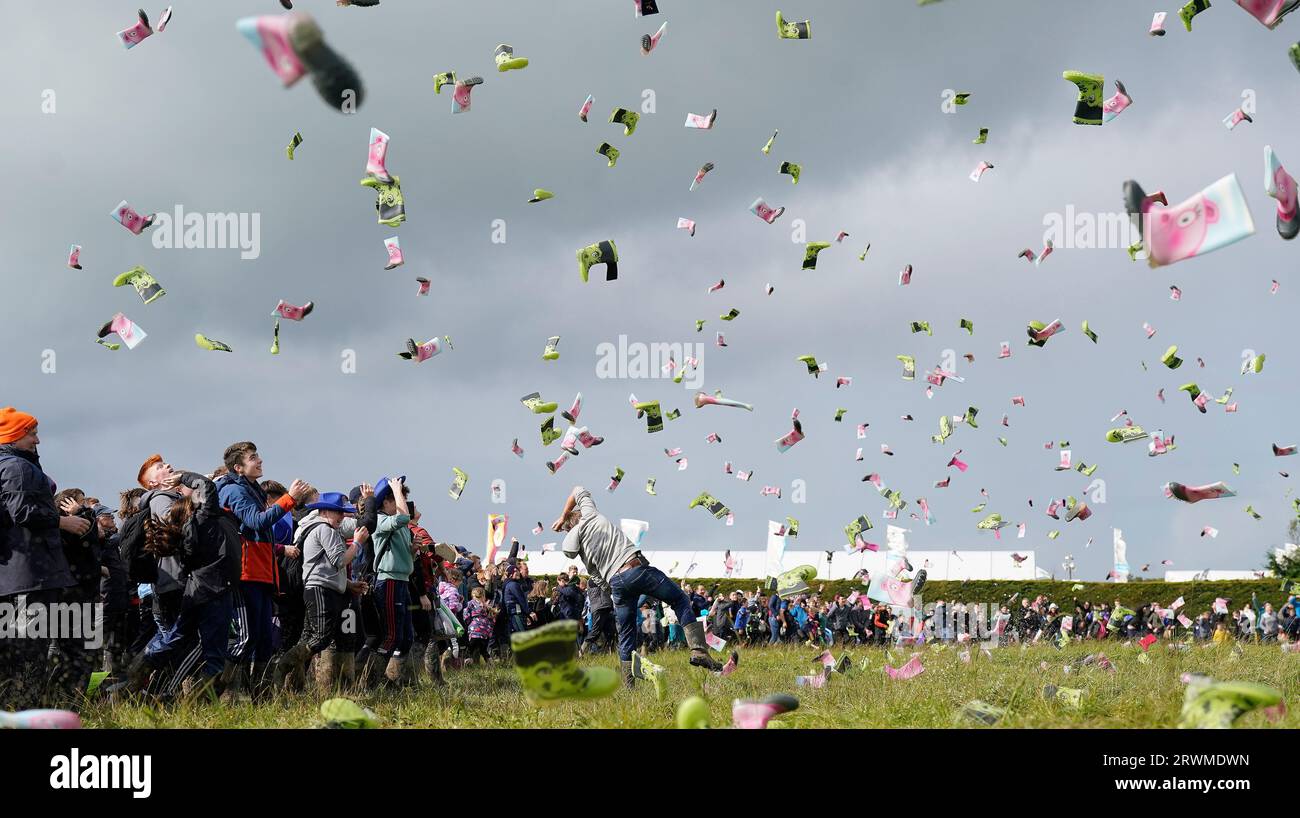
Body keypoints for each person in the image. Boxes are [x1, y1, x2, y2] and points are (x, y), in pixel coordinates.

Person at [552, 485, 732, 687]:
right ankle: (698, 650)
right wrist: (563, 515)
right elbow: (578, 489)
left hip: (616, 584)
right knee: (679, 599)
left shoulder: (583, 552)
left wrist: (619, 593)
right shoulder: (590, 515)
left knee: (626, 634)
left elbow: (600, 579)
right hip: (636, 570)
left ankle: (629, 685)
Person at [116, 471, 242, 700]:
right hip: (215, 590)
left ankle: (136, 673)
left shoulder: (191, 527)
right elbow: (207, 487)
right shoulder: (203, 519)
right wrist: (182, 477)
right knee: (214, 656)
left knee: (176, 637)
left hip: (197, 591)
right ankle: (196, 704)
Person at [0, 408, 91, 710]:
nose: (37, 440)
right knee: (29, 650)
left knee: (17, 649)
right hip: (31, 574)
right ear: (13, 435)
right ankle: (24, 712)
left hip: (17, 574)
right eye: (31, 433)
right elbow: (23, 512)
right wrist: (62, 521)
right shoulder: (17, 467)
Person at [215, 441, 312, 698]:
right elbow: (257, 522)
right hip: (245, 573)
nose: (259, 461)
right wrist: (289, 499)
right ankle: (219, 693)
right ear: (238, 467)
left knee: (264, 641)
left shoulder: (252, 489)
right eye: (253, 457)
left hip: (262, 573)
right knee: (246, 639)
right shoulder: (235, 491)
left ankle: (261, 696)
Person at [273, 492, 366, 693]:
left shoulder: (320, 528)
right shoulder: (325, 529)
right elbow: (340, 561)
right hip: (320, 590)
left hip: (318, 587)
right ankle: (282, 666)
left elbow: (328, 566)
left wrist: (348, 584)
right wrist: (357, 542)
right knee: (321, 636)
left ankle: (293, 684)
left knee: (308, 635)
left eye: (344, 513)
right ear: (323, 511)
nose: (342, 517)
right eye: (338, 512)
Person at [370, 475, 429, 684]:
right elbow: (404, 518)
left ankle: (392, 679)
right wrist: (396, 488)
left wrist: (412, 550)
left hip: (401, 580)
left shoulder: (400, 526)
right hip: (388, 582)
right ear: (386, 501)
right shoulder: (382, 520)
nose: (402, 501)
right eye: (397, 497)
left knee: (406, 638)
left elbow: (405, 555)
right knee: (391, 635)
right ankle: (372, 679)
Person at [581, 574, 615, 655]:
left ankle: (610, 653)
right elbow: (608, 587)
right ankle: (581, 652)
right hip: (599, 608)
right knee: (595, 632)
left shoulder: (599, 578)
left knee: (610, 632)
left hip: (606, 607)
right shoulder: (594, 579)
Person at [464, 586, 494, 664]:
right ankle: (490, 663)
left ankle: (468, 662)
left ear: (473, 595)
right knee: (483, 649)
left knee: (471, 647)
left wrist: (468, 623)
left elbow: (466, 615)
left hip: (475, 629)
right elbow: (491, 618)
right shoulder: (486, 606)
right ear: (483, 596)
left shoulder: (470, 603)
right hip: (485, 630)